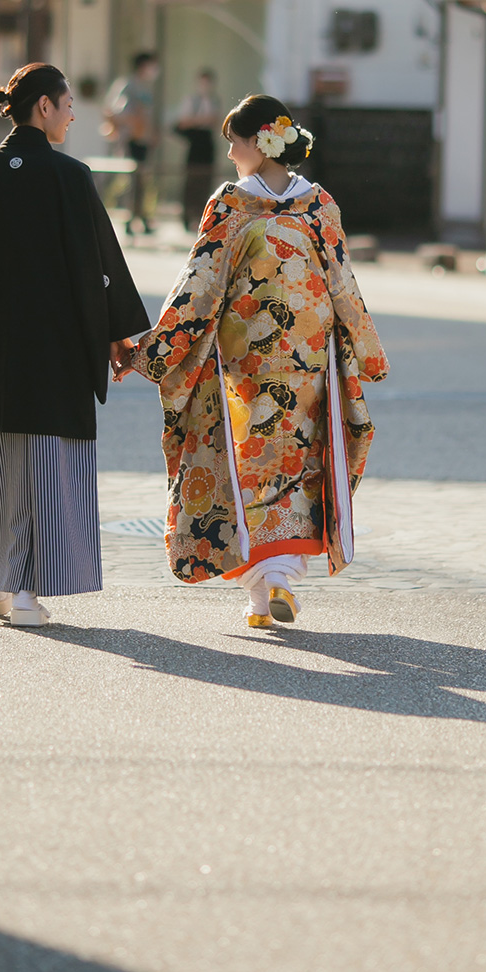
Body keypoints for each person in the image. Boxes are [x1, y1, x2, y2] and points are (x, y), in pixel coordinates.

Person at [120, 93, 389, 628]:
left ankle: (268, 585)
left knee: (246, 468)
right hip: (310, 364)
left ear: (261, 143)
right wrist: (368, 353)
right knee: (299, 464)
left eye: (234, 142)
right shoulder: (320, 205)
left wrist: (151, 352)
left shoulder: (233, 205)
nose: (230, 154)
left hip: (248, 367)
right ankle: (273, 587)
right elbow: (342, 284)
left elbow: (199, 287)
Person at [0, 61, 151, 626]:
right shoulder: (69, 177)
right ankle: (30, 595)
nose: (74, 111)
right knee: (49, 467)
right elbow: (98, 266)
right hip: (54, 347)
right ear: (44, 108)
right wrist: (115, 335)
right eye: (68, 101)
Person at [103, 50, 159, 235]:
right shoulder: (128, 85)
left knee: (144, 180)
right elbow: (117, 111)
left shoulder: (145, 87)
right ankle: (129, 219)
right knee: (130, 180)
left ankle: (142, 217)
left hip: (143, 140)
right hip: (131, 140)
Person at [173, 67, 222, 232]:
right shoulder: (191, 100)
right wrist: (201, 120)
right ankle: (188, 215)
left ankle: (203, 215)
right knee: (191, 179)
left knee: (206, 180)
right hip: (195, 143)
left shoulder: (214, 100)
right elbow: (183, 122)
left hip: (207, 144)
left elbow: (216, 121)